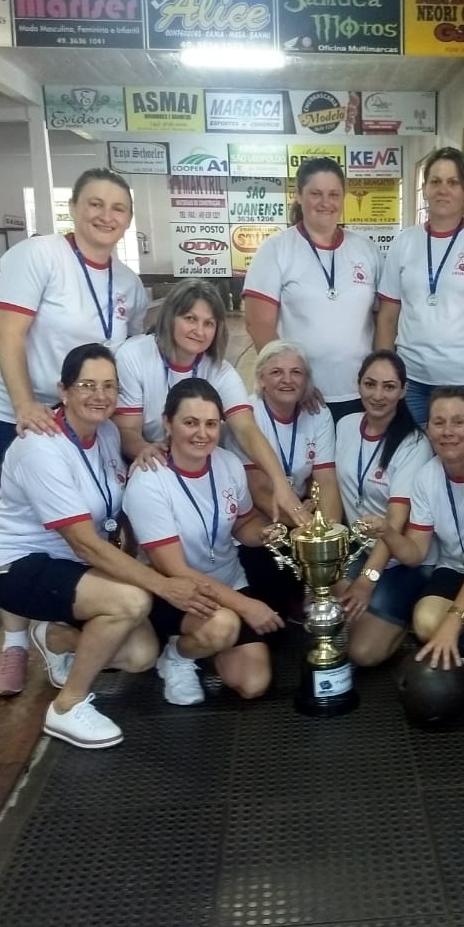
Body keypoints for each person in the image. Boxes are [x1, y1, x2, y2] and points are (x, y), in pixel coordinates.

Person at [0, 345, 215, 748]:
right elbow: (85, 543)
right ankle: (67, 707)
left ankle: (55, 639)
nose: (100, 395)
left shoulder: (104, 433)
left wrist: (144, 451)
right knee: (131, 602)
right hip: (19, 565)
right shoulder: (42, 446)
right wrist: (161, 585)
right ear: (63, 390)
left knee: (141, 655)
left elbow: (112, 512)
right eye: (87, 384)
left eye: (109, 386)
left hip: (74, 569)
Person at [0, 167, 149, 698]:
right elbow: (9, 332)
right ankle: (12, 643)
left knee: (79, 528)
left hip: (86, 414)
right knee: (26, 527)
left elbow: (129, 355)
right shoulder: (39, 256)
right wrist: (27, 403)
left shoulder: (128, 283)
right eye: (94, 204)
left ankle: (57, 633)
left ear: (127, 220)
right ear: (73, 208)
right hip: (19, 411)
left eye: (118, 208)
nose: (105, 216)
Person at [123, 379, 285, 706]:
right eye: (190, 422)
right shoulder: (149, 481)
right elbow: (175, 570)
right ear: (168, 423)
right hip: (175, 593)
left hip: (227, 582)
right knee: (223, 625)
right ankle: (178, 656)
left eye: (211, 424)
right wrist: (246, 606)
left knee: (253, 684)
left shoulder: (228, 464)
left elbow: (242, 523)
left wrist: (265, 533)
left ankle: (202, 643)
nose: (202, 433)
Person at [363, 387, 464, 693]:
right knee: (426, 622)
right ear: (428, 429)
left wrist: (453, 621)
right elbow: (416, 553)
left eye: (458, 422)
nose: (448, 432)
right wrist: (388, 532)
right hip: (454, 567)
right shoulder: (427, 477)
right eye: (438, 423)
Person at [113, 278, 307, 526]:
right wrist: (143, 448)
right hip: (152, 459)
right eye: (190, 319)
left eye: (209, 323)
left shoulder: (220, 370)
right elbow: (126, 429)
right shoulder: (134, 355)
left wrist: (280, 484)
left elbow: (246, 430)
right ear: (170, 317)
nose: (199, 331)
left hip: (194, 458)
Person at [376, 147, 464, 427]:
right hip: (411, 382)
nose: (443, 190)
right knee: (407, 463)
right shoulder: (405, 243)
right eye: (435, 182)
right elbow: (388, 317)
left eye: (452, 182)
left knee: (462, 466)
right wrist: (384, 378)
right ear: (424, 189)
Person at [243, 157, 381, 421]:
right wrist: (293, 383)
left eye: (334, 194)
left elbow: (381, 318)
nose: (325, 202)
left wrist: (377, 383)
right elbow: (257, 323)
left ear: (343, 197)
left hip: (359, 393)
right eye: (315, 193)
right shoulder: (277, 249)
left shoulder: (366, 250)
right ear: (298, 195)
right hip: (298, 397)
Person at [336, 351, 434, 667]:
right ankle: (372, 611)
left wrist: (368, 579)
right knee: (322, 594)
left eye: (389, 387)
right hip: (359, 549)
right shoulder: (346, 426)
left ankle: (407, 614)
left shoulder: (414, 444)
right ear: (358, 385)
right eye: (370, 384)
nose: (378, 395)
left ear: (403, 391)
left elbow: (396, 521)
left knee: (363, 654)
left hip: (400, 562)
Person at [232, 339, 342, 616]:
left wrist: (326, 535)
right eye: (276, 372)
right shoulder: (248, 414)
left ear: (306, 380)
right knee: (276, 594)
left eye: (296, 372)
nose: (287, 380)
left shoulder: (318, 413)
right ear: (261, 378)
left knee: (333, 566)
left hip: (303, 510)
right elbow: (257, 487)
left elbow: (325, 479)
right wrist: (304, 526)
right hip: (259, 515)